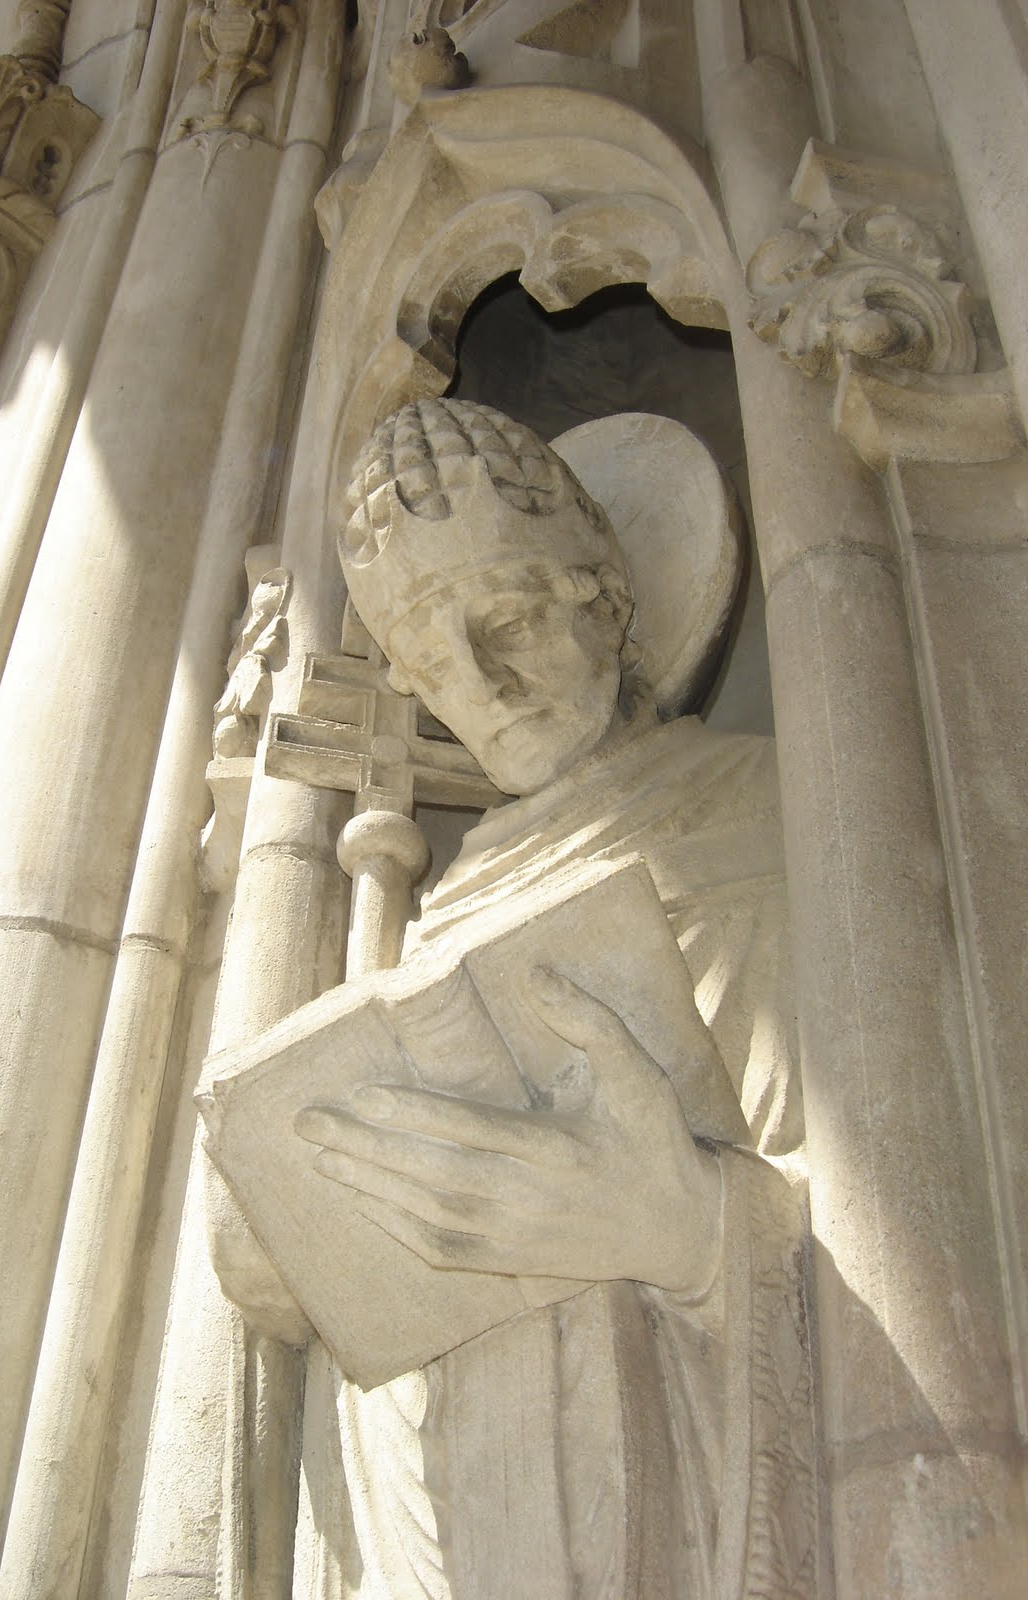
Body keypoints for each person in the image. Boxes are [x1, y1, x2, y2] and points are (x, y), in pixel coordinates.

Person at [208, 398, 816, 1599]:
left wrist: (686, 1223)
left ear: (607, 598)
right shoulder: (444, 907)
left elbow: (930, 1197)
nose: (481, 684)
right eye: (434, 664)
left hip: (685, 1479)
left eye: (510, 619)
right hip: (441, 1503)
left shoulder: (769, 815)